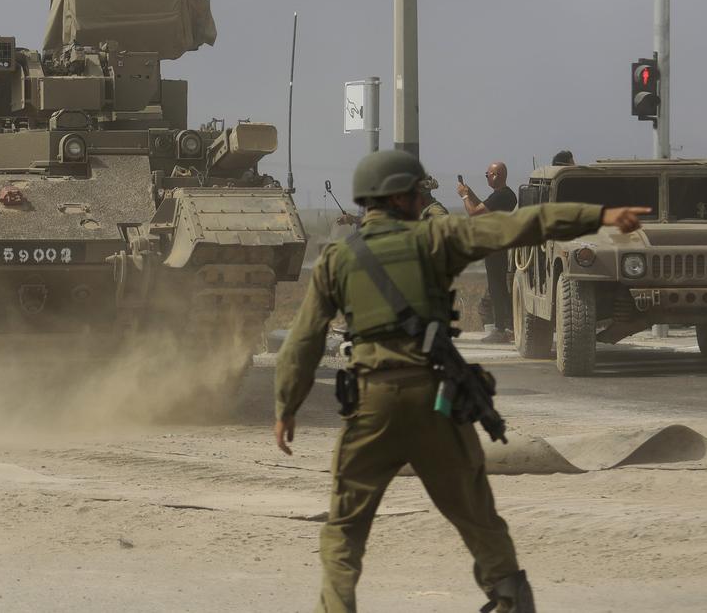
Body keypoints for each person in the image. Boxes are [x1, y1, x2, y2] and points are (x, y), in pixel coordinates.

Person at [274, 149, 648, 613]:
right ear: (398, 198)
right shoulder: (437, 238)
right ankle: (511, 600)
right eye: (417, 192)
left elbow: (302, 341)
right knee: (478, 518)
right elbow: (521, 224)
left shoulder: (337, 259)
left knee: (344, 532)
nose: (423, 199)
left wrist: (286, 407)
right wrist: (599, 216)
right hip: (435, 403)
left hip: (372, 407)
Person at [456, 162, 518, 342]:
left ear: (496, 175)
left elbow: (474, 212)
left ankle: (500, 329)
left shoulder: (501, 196)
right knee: (500, 287)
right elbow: (484, 205)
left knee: (496, 287)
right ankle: (509, 326)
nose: (486, 178)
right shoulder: (506, 195)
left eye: (488, 175)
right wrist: (471, 193)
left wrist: (464, 196)